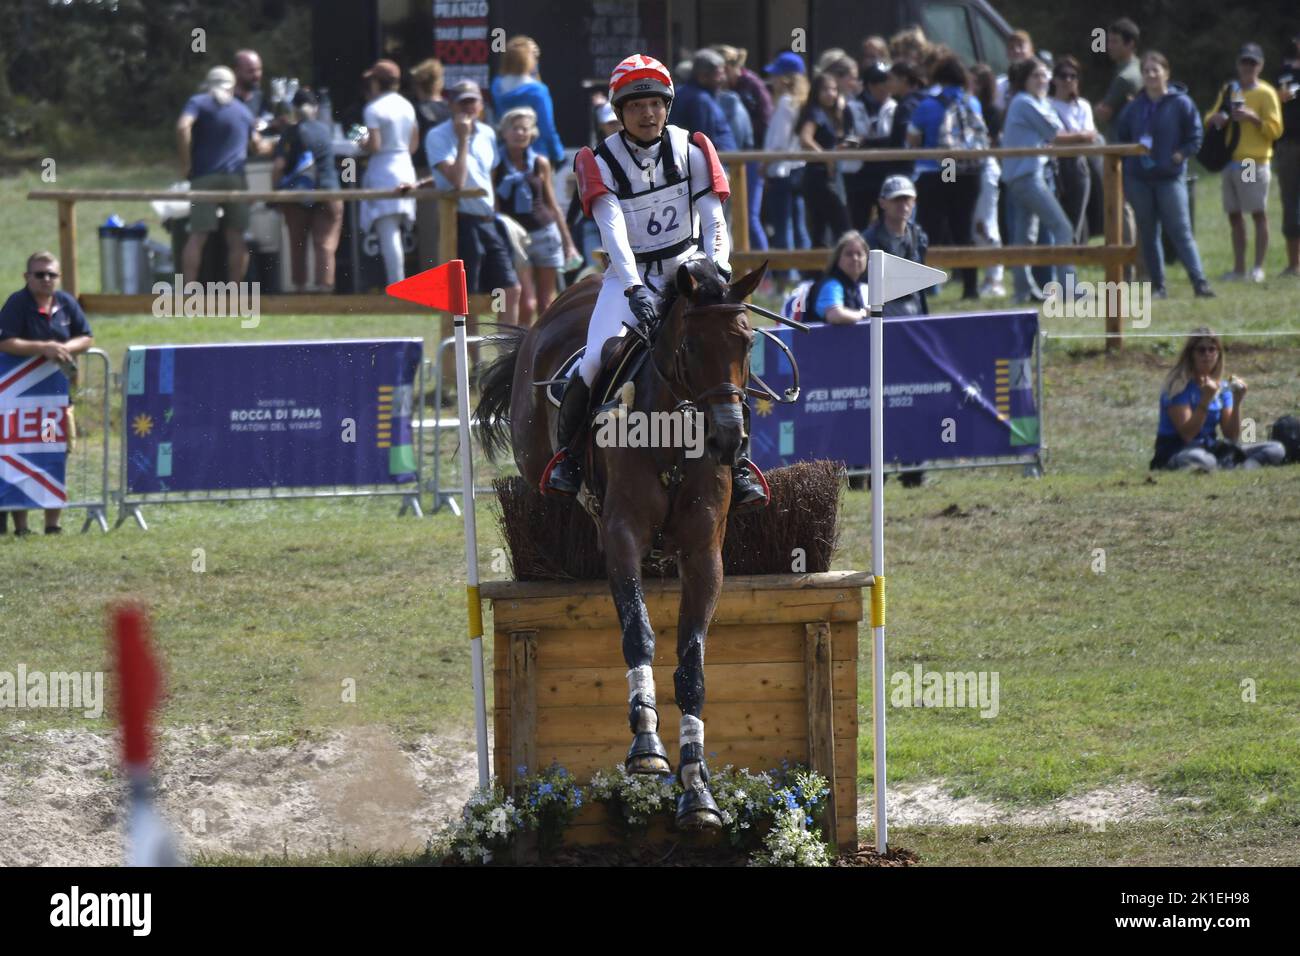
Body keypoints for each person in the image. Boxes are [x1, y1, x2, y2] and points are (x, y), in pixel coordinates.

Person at [546, 53, 766, 511]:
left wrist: (718, 273)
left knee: (726, 351)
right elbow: (613, 233)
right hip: (632, 274)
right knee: (592, 362)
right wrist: (633, 289)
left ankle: (740, 466)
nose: (648, 114)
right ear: (619, 111)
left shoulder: (693, 148)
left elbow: (714, 220)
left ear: (668, 105)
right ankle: (568, 459)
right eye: (636, 105)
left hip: (689, 267)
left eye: (656, 104)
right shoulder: (598, 159)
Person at [0, 253, 93, 536]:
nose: (46, 279)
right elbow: (5, 341)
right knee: (23, 454)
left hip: (53, 404)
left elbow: (86, 336)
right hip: (22, 405)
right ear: (27, 277)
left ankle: (53, 525)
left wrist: (67, 347)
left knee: (53, 452)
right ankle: (22, 526)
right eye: (39, 274)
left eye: (51, 274)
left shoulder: (66, 302)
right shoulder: (18, 303)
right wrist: (44, 348)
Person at [414, 80, 520, 323]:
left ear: (481, 105)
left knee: (511, 290)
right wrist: (463, 139)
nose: (468, 108)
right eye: (462, 102)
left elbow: (486, 177)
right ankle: (473, 359)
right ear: (450, 105)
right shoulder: (437, 136)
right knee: (467, 296)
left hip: (488, 220)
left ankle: (504, 356)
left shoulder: (488, 133)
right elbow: (457, 181)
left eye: (472, 101)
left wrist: (496, 212)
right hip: (461, 223)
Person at [1114, 52, 1214, 298]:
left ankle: (1199, 282)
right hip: (1139, 178)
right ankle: (1158, 286)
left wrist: (1181, 154)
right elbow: (1121, 136)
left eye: (1155, 70)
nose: (1150, 75)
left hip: (1170, 177)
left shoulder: (1181, 103)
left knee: (1180, 230)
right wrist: (1130, 158)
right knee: (1148, 233)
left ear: (1166, 73)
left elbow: (1195, 135)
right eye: (1146, 71)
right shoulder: (1134, 107)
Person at [1000, 57, 1097, 304]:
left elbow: (1052, 130)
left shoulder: (1035, 101)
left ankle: (1022, 292)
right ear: (1024, 80)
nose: (1043, 80)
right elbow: (1054, 134)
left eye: (1045, 75)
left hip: (1024, 174)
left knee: (1024, 237)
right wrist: (1086, 135)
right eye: (1036, 76)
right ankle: (1069, 289)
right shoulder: (1024, 102)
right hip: (1027, 176)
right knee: (1062, 227)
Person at [176, 66, 270, 283]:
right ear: (232, 87)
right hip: (235, 179)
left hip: (204, 177)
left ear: (208, 85)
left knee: (198, 236)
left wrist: (185, 163)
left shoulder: (198, 102)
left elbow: (182, 127)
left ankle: (189, 292)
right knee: (236, 237)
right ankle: (234, 293)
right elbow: (258, 146)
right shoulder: (243, 111)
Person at [906, 53, 986, 300]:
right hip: (967, 173)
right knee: (963, 229)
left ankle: (924, 287)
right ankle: (970, 287)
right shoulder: (972, 103)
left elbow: (913, 139)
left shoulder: (927, 105)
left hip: (934, 172)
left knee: (929, 230)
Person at [1150, 328, 1285, 471]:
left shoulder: (1222, 388)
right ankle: (1225, 466)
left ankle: (1241, 469)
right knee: (1202, 460)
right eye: (1201, 350)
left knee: (1276, 449)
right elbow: (1188, 435)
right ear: (1191, 355)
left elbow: (1231, 436)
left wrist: (1237, 401)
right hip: (1178, 450)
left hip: (1209, 448)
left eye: (1212, 349)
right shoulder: (1177, 387)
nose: (1207, 355)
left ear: (1219, 354)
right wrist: (1205, 400)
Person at [1206, 43, 1284, 284]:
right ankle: (1238, 268)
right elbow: (1209, 117)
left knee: (1257, 213)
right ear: (1238, 64)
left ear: (1260, 66)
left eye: (1253, 63)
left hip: (1252, 161)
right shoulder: (1230, 90)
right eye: (1244, 62)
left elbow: (1276, 129)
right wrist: (1216, 119)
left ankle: (1257, 268)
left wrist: (1253, 118)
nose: (1248, 67)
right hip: (1230, 161)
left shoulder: (1266, 93)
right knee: (1234, 215)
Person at [494, 106, 579, 325]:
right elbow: (495, 208)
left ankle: (543, 351)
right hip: (515, 239)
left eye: (525, 129)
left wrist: (568, 243)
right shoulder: (496, 164)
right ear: (504, 132)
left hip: (545, 233)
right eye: (514, 128)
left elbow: (552, 204)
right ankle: (518, 350)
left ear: (532, 134)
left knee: (546, 303)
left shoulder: (539, 162)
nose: (520, 133)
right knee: (526, 303)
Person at [273, 89, 344, 293]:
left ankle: (300, 291)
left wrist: (274, 193)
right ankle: (325, 291)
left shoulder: (290, 133)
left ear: (294, 110)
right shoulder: (326, 130)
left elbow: (279, 166)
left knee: (298, 244)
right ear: (315, 109)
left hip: (297, 195)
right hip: (329, 191)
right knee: (325, 244)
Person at [356, 59, 418, 286]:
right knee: (395, 232)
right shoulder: (407, 106)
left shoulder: (373, 108)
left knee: (388, 232)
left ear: (376, 82)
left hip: (384, 169)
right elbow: (413, 144)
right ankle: (398, 284)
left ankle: (397, 286)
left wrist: (360, 141)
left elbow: (374, 145)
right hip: (404, 165)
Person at [716, 44, 772, 252]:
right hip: (737, 160)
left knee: (749, 217)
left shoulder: (750, 85)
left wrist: (766, 160)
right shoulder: (726, 92)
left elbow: (766, 120)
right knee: (736, 219)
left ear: (729, 67)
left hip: (752, 157)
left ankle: (765, 275)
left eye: (721, 70)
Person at [762, 53, 811, 284]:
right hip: (799, 168)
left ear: (786, 78)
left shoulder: (785, 103)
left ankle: (789, 275)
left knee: (783, 225)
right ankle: (805, 271)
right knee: (799, 223)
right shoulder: (803, 101)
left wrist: (764, 164)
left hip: (781, 168)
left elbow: (778, 141)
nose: (773, 79)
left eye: (777, 75)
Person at [490, 36, 565, 166]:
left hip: (506, 155)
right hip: (537, 157)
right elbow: (547, 127)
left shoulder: (496, 85)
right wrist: (558, 154)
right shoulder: (538, 90)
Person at [797, 71, 852, 247]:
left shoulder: (829, 113)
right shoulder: (815, 113)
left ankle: (819, 274)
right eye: (826, 90)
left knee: (821, 231)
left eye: (834, 89)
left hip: (826, 176)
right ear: (816, 92)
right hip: (818, 177)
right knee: (842, 228)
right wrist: (827, 158)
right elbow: (806, 139)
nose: (831, 94)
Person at [864, 176, 929, 315]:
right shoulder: (868, 240)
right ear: (882, 203)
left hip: (914, 310)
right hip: (881, 312)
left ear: (914, 202)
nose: (903, 205)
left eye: (907, 199)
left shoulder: (919, 237)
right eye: (896, 199)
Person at [410, 58, 452, 271]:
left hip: (424, 172)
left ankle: (432, 278)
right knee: (448, 228)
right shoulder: (449, 110)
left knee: (428, 231)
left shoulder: (415, 111)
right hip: (450, 174)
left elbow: (412, 145)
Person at [1049, 56, 1096, 244]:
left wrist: (1065, 138)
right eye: (1063, 76)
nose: (1068, 80)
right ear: (1054, 79)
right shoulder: (1047, 105)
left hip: (1078, 164)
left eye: (1073, 76)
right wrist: (1079, 136)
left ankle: (1071, 262)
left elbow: (1091, 136)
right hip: (1054, 165)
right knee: (1056, 215)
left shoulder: (1083, 105)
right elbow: (1052, 138)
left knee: (1076, 216)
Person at [849, 62, 897, 230]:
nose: (886, 91)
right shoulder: (852, 107)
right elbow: (849, 140)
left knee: (888, 223)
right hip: (859, 173)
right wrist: (859, 141)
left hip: (885, 171)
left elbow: (894, 140)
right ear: (870, 85)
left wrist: (866, 141)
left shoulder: (893, 107)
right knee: (858, 223)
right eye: (881, 86)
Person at [668, 48, 738, 150]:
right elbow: (704, 141)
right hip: (716, 161)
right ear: (703, 76)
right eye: (719, 74)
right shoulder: (700, 100)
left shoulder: (687, 93)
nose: (723, 78)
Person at [1275, 36, 1300, 277]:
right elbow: (1272, 101)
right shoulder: (1283, 73)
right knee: (1290, 203)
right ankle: (1294, 264)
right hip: (1289, 145)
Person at [805, 230, 868, 324]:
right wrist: (863, 314)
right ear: (838, 258)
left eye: (859, 254)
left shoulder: (859, 286)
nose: (855, 258)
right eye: (849, 254)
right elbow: (835, 315)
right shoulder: (831, 285)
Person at [1093, 18, 1142, 134]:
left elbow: (1104, 113)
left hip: (1122, 144)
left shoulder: (1124, 77)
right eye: (1109, 41)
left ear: (1130, 44)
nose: (1109, 46)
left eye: (1115, 42)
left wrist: (1096, 109)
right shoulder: (1143, 67)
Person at [995, 30, 1035, 112]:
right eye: (1011, 47)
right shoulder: (999, 85)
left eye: (1021, 46)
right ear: (1007, 53)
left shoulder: (1043, 80)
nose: (1016, 50)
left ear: (1031, 51)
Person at [232, 49, 266, 124]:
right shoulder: (228, 101)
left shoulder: (259, 97)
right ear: (237, 71)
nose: (257, 75)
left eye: (259, 69)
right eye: (251, 71)